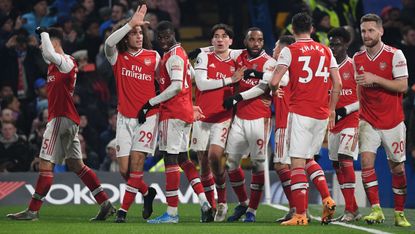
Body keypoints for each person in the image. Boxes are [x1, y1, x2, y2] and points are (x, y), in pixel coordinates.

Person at [6, 26, 115, 221]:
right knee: (76, 164)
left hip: (59, 119)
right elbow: (48, 54)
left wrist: (43, 32)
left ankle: (32, 210)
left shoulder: (66, 62)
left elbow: (48, 50)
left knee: (45, 166)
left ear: (55, 42)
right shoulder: (54, 65)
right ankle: (105, 202)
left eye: (43, 43)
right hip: (68, 120)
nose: (41, 47)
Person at [270, 12, 342, 226]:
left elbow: (275, 80)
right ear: (312, 29)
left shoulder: (289, 50)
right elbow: (337, 84)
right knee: (309, 158)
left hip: (300, 111)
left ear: (292, 29)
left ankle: (300, 214)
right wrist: (331, 110)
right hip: (321, 114)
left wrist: (276, 90)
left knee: (297, 163)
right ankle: (327, 198)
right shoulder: (326, 50)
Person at [142, 20, 213, 224]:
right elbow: (189, 78)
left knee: (170, 159)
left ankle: (172, 213)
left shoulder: (173, 57)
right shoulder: (177, 54)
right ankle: (204, 203)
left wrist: (150, 102)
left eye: (166, 36)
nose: (163, 40)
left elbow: (175, 87)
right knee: (183, 159)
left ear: (173, 34)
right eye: (160, 37)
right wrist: (189, 105)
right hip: (183, 113)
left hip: (172, 113)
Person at [353, 13, 411, 227]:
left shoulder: (396, 55)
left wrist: (375, 78)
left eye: (370, 30)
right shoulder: (357, 59)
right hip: (367, 120)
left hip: (393, 121)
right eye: (363, 31)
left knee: (397, 169)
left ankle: (399, 212)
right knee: (366, 162)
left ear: (380, 31)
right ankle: (376, 209)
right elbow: (357, 89)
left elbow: (403, 86)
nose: (366, 35)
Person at [104, 5, 157, 223]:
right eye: (134, 33)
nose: (139, 36)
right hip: (124, 118)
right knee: (124, 171)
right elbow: (108, 43)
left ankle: (123, 212)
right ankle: (147, 193)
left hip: (148, 117)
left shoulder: (154, 57)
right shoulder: (118, 58)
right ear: (126, 36)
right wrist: (129, 24)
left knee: (136, 165)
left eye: (140, 32)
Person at [221, 27, 276, 222]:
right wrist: (199, 51)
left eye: (260, 40)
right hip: (240, 118)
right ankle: (243, 203)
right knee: (231, 163)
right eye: (252, 39)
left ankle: (252, 211)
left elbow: (263, 88)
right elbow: (219, 47)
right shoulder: (239, 56)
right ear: (245, 41)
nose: (256, 43)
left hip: (260, 119)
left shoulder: (269, 63)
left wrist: (237, 97)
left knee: (258, 165)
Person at [191, 23, 243, 221]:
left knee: (214, 156)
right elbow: (202, 83)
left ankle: (222, 202)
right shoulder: (204, 57)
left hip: (223, 116)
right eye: (216, 36)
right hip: (202, 116)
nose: (220, 39)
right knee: (203, 163)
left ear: (230, 40)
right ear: (211, 41)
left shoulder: (237, 58)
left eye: (224, 36)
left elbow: (252, 51)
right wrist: (230, 80)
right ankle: (210, 207)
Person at [328, 27, 360, 223]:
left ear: (346, 45)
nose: (333, 48)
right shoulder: (326, 69)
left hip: (351, 121)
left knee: (344, 158)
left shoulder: (354, 66)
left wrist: (345, 111)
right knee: (336, 164)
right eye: (331, 44)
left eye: (337, 44)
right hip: (333, 123)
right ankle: (354, 208)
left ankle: (349, 210)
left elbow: (364, 98)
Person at [270, 35, 296, 223]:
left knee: (281, 165)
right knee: (297, 165)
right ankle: (296, 208)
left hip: (284, 122)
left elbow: (278, 80)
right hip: (292, 121)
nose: (273, 50)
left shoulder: (284, 71)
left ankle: (297, 208)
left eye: (276, 47)